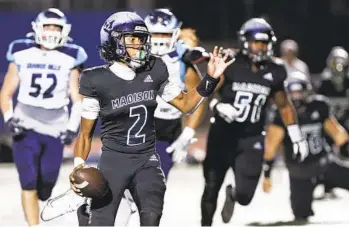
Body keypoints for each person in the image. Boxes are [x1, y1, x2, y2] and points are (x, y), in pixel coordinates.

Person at [69, 11, 233, 226]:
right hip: (115, 159)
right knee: (103, 220)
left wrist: (211, 78)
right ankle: (89, 212)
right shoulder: (95, 79)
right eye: (132, 39)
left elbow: (186, 104)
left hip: (148, 158)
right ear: (113, 41)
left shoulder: (155, 68)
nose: (140, 45)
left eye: (141, 39)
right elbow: (85, 133)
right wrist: (79, 164)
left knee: (151, 215)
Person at [201, 18, 309, 226]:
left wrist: (296, 135)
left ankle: (232, 195)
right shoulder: (230, 61)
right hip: (222, 135)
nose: (260, 48)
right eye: (256, 42)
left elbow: (284, 105)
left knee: (245, 196)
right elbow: (206, 92)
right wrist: (217, 105)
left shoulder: (275, 69)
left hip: (251, 138)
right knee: (211, 185)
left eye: (264, 43)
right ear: (244, 42)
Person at [0, 8, 87, 227]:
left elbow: (77, 98)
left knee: (46, 185)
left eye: (55, 27)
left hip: (55, 127)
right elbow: (6, 92)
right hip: (26, 123)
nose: (50, 31)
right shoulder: (21, 51)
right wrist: (10, 118)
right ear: (37, 28)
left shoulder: (71, 54)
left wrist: (71, 127)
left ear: (64, 30)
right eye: (47, 26)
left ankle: (42, 194)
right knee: (28, 181)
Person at [262, 72, 349, 223]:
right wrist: (267, 174)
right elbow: (271, 147)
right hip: (299, 172)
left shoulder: (319, 105)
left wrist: (345, 148)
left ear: (307, 91)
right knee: (301, 214)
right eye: (292, 93)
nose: (296, 97)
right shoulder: (280, 114)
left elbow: (337, 134)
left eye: (299, 92)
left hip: (324, 163)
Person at [144, 8, 208, 176]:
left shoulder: (181, 60)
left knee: (156, 186)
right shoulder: (133, 57)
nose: (159, 40)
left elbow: (199, 97)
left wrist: (188, 132)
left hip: (167, 128)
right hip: (137, 128)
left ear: (175, 34)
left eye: (164, 34)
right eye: (155, 34)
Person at [316, 46, 349, 199]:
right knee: (327, 154)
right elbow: (319, 104)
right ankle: (327, 186)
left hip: (346, 122)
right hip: (330, 123)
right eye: (336, 63)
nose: (338, 67)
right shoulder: (325, 81)